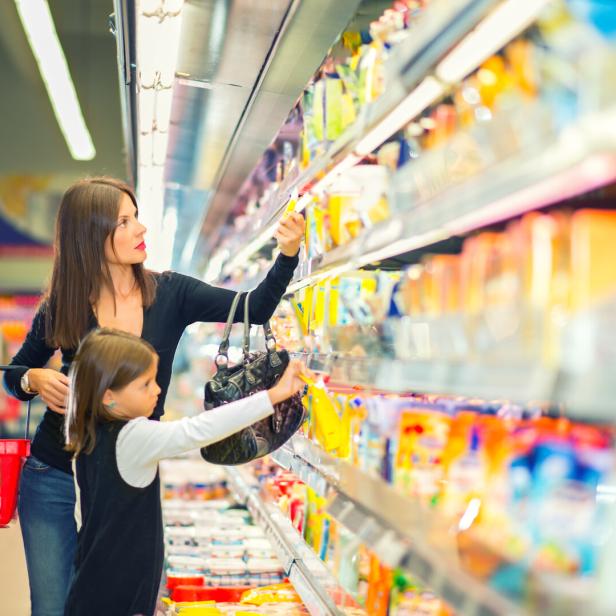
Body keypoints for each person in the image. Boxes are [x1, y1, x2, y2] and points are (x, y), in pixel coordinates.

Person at [2, 176, 305, 616]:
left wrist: (289, 253)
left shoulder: (170, 293)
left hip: (123, 478)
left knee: (113, 601)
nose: (141, 230)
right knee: (52, 606)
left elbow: (253, 308)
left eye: (137, 217)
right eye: (124, 221)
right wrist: (33, 379)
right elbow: (13, 375)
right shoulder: (63, 303)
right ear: (91, 234)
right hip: (53, 473)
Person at [62, 328, 307, 616]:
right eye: (145, 384)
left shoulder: (92, 432)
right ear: (108, 396)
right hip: (120, 596)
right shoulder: (131, 437)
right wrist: (273, 395)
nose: (157, 389)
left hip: (94, 586)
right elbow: (197, 430)